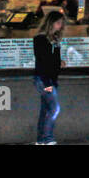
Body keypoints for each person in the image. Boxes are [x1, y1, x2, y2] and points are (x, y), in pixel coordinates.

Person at [32, 11, 64, 144]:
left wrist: (58, 62)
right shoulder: (41, 39)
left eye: (61, 23)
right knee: (54, 108)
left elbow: (52, 60)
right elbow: (42, 60)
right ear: (50, 23)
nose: (60, 26)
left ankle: (41, 140)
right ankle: (48, 138)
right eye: (58, 23)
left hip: (48, 79)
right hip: (45, 80)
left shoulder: (54, 39)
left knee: (46, 109)